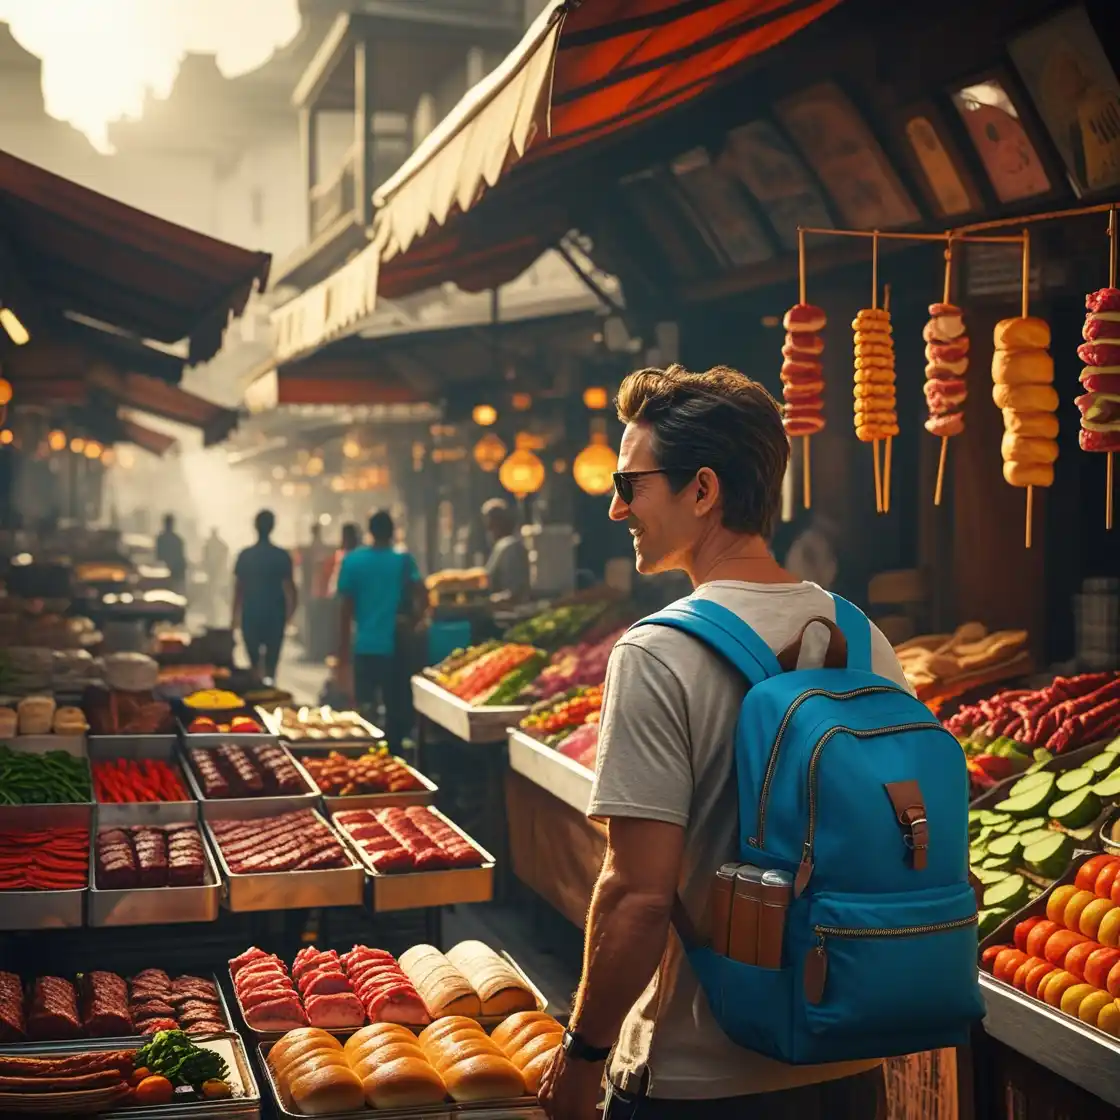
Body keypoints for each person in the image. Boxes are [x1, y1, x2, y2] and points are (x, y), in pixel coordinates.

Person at [539, 365, 907, 1120]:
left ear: (702, 490)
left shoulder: (656, 653)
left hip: (700, 1076)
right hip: (844, 1059)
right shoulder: (864, 637)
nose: (615, 508)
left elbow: (636, 896)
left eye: (629, 483)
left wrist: (582, 1054)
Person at [336, 510, 425, 749]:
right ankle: (392, 755)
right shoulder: (403, 560)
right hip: (395, 646)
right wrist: (415, 620)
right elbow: (421, 593)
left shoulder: (352, 561)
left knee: (365, 705)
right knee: (395, 707)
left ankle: (367, 752)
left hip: (364, 645)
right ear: (393, 531)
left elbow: (345, 610)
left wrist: (342, 652)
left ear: (370, 531)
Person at [232, 510, 297, 684]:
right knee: (271, 664)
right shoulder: (282, 555)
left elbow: (239, 589)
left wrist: (234, 618)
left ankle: (256, 695)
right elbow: (291, 589)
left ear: (255, 527)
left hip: (251, 614)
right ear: (273, 527)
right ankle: (270, 695)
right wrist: (290, 616)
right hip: (275, 615)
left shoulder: (245, 555)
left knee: (253, 664)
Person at [481, 498, 530, 602]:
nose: (489, 529)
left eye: (491, 523)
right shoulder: (501, 547)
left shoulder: (510, 547)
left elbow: (515, 591)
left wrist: (489, 601)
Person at [202, 527, 230, 623]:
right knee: (212, 585)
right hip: (213, 567)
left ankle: (212, 603)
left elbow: (205, 553)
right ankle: (212, 603)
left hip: (214, 567)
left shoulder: (212, 542)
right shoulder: (214, 542)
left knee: (212, 585)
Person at [155, 514, 187, 592]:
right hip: (166, 574)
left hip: (171, 574)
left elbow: (158, 557)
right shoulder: (176, 540)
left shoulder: (161, 539)